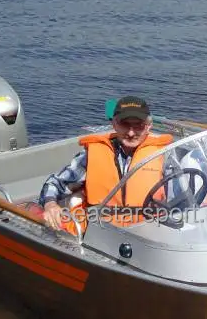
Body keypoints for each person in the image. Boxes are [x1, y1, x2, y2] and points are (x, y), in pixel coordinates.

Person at [39, 96, 173, 233]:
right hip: (100, 235)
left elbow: (183, 205)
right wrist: (50, 205)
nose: (131, 132)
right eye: (124, 124)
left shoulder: (164, 156)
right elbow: (54, 183)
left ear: (148, 126)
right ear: (114, 124)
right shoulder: (91, 155)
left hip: (149, 235)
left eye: (138, 125)